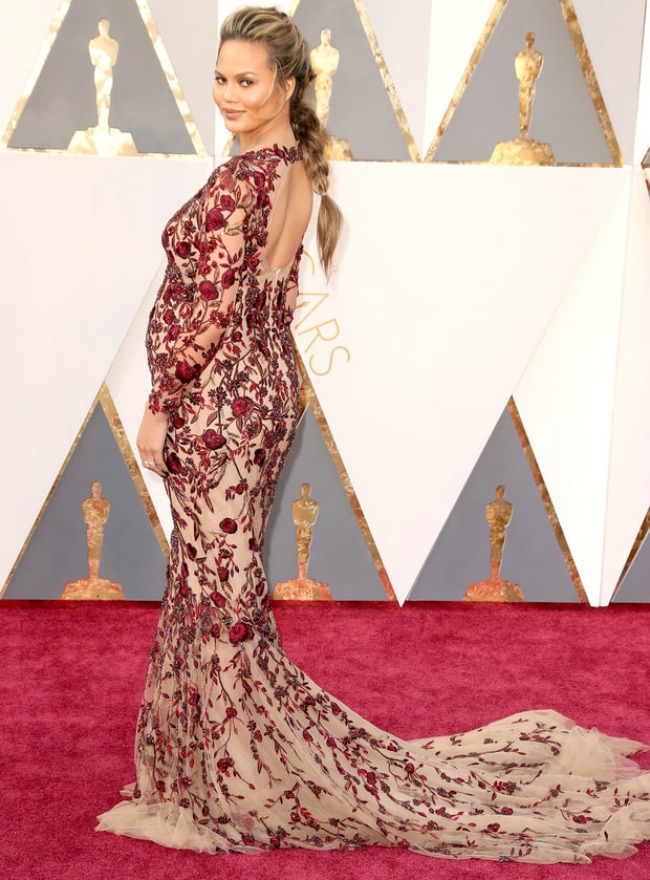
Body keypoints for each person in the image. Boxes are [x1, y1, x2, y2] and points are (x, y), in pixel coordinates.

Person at [96, 6, 650, 862]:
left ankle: (233, 781)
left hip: (217, 404)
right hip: (261, 395)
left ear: (286, 85)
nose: (229, 96)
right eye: (220, 78)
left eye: (247, 81)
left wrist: (162, 400)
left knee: (215, 592)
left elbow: (208, 309)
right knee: (219, 588)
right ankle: (212, 767)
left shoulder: (247, 180)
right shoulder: (293, 170)